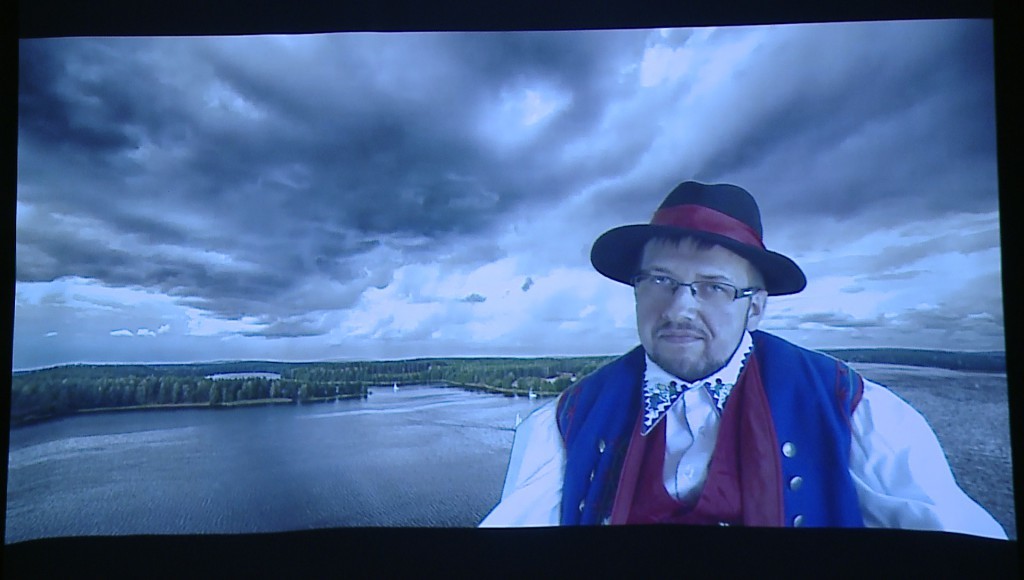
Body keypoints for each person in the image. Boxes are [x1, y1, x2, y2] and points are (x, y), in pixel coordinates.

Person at [480, 181, 1006, 538]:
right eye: (660, 280)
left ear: (755, 307)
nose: (680, 308)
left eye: (713, 286)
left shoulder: (850, 407)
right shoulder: (567, 420)